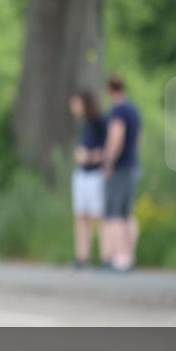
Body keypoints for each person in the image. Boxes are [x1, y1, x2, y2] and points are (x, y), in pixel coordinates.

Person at [102, 74, 141, 271]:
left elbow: (116, 137)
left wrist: (109, 163)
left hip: (120, 167)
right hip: (133, 165)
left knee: (115, 213)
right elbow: (138, 140)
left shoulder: (117, 111)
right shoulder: (134, 110)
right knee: (128, 213)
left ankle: (119, 258)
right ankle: (129, 255)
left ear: (110, 89)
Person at [69, 91, 108, 268]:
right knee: (81, 216)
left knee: (98, 216)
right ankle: (82, 256)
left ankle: (106, 256)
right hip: (82, 174)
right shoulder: (83, 124)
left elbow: (108, 149)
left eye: (76, 104)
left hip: (95, 174)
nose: (73, 108)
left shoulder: (100, 122)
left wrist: (90, 157)